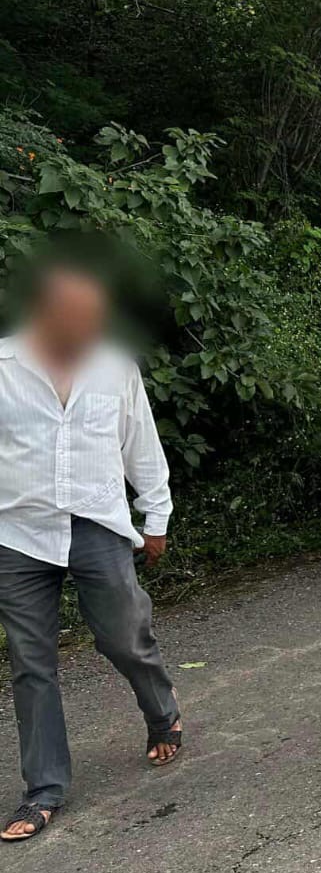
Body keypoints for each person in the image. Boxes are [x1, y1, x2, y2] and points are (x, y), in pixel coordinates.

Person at [0, 260, 180, 843]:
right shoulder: (2, 366)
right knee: (32, 662)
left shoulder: (114, 366)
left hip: (98, 523)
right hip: (17, 532)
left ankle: (162, 711)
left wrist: (156, 516)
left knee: (123, 635)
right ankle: (44, 788)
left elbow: (141, 445)